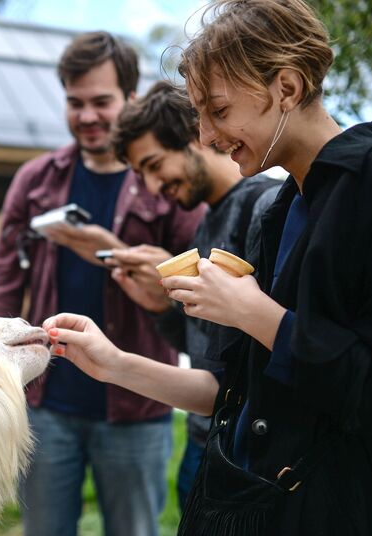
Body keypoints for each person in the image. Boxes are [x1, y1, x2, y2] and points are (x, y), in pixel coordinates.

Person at [43, 1, 372, 534]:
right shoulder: (280, 209)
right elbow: (225, 391)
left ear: (286, 86)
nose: (208, 136)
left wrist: (256, 314)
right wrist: (112, 362)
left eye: (218, 111)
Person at [0, 31, 204, 536]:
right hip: (45, 404)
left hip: (137, 405)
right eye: (75, 103)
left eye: (101, 101)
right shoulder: (35, 180)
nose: (87, 116)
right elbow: (1, 286)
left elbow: (202, 275)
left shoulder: (165, 176)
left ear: (130, 98)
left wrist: (116, 254)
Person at [107, 80, 280, 510]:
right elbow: (205, 353)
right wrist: (161, 307)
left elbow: (259, 357)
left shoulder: (266, 208)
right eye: (140, 175)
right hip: (204, 443)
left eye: (153, 164)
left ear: (194, 136)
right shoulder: (205, 224)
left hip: (245, 456)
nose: (151, 187)